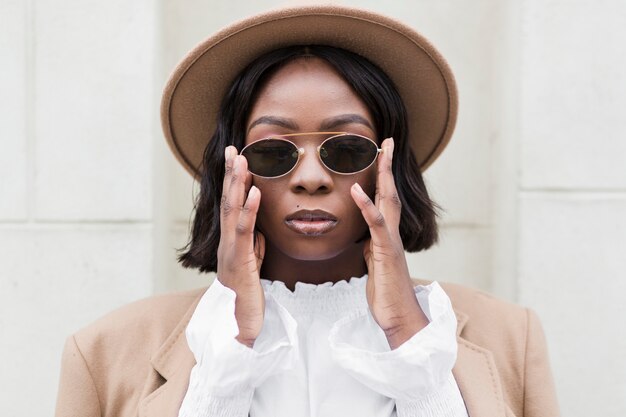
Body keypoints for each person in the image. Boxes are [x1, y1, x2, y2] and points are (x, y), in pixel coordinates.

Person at [55, 5, 560, 417]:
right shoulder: (103, 353)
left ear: (389, 165)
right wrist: (231, 349)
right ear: (229, 172)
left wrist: (409, 339)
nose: (312, 178)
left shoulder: (512, 339)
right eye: (275, 152)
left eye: (346, 149)